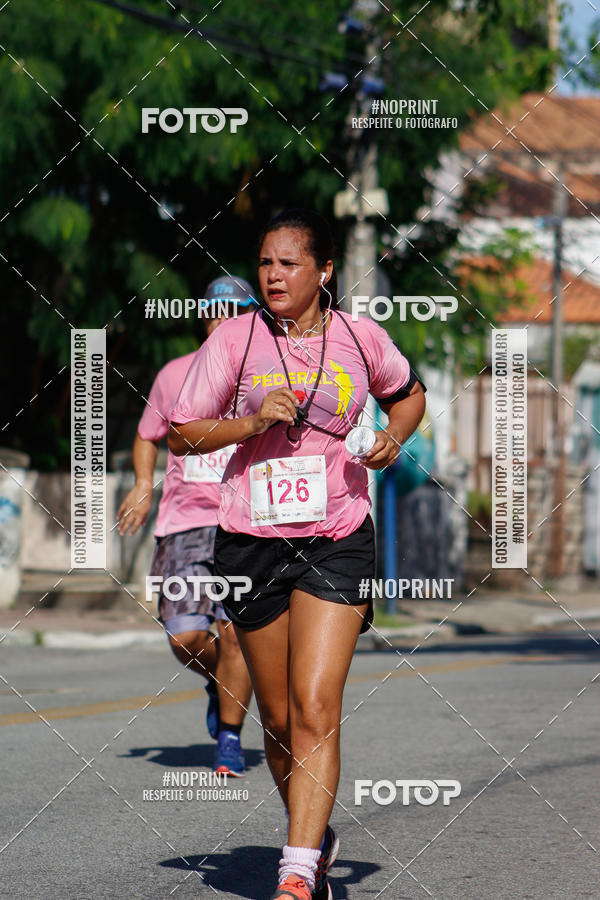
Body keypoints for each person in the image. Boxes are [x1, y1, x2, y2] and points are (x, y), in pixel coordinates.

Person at [169, 209, 426, 899]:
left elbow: (408, 396)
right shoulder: (234, 341)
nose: (274, 275)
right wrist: (250, 422)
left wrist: (392, 440)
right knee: (279, 721)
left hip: (336, 535)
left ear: (324, 271)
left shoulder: (359, 337)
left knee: (316, 708)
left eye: (288, 263)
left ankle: (296, 871)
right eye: (264, 264)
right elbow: (181, 433)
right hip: (250, 540)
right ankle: (312, 837)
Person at [118, 276, 256, 777]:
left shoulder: (265, 374)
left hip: (246, 522)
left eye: (235, 310)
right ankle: (220, 683)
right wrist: (141, 483)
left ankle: (229, 738)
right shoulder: (176, 374)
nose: (223, 320)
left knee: (237, 635)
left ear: (252, 315)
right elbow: (147, 433)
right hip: (184, 522)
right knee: (185, 638)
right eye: (215, 310)